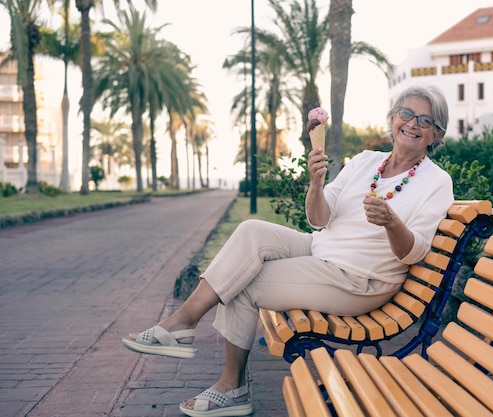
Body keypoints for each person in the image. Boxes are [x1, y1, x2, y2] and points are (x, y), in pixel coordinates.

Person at [122, 84, 454, 417]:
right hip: (320, 250)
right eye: (407, 113)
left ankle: (228, 383)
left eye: (425, 120)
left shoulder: (436, 182)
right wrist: (316, 184)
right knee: (251, 230)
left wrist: (391, 223)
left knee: (246, 280)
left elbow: (415, 252)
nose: (413, 124)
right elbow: (318, 219)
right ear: (393, 118)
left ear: (436, 134)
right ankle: (184, 325)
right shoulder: (366, 162)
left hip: (360, 278)